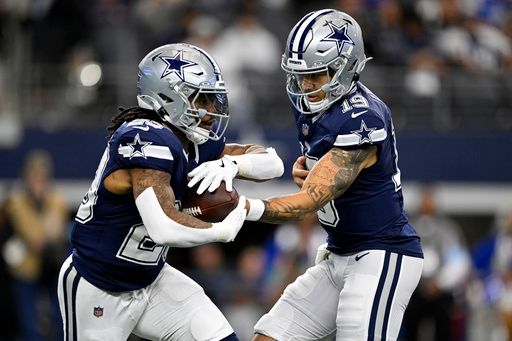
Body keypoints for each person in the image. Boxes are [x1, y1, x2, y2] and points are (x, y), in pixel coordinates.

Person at [57, 43, 284, 341]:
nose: (212, 110)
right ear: (167, 96)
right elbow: (162, 226)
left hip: (152, 279)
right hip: (100, 284)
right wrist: (219, 230)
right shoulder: (143, 136)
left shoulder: (192, 140)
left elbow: (274, 163)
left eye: (213, 99)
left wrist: (232, 165)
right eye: (202, 99)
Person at [238, 9, 423, 341]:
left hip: (380, 254)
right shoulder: (315, 103)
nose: (306, 85)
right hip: (338, 252)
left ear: (346, 67)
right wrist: (310, 166)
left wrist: (244, 208)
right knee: (268, 336)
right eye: (300, 75)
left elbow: (310, 201)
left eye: (317, 75)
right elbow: (323, 174)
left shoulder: (363, 117)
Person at [2, 149, 69, 341]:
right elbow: (33, 237)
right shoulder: (16, 202)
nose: (37, 181)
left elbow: (56, 232)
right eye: (33, 176)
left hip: (51, 267)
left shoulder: (56, 200)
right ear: (25, 177)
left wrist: (43, 205)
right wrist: (39, 210)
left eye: (41, 176)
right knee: (29, 323)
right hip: (26, 269)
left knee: (60, 319)